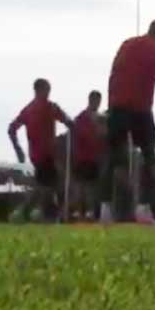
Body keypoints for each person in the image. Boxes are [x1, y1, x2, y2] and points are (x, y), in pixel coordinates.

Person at [103, 19, 155, 223]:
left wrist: (111, 104)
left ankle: (105, 210)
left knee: (114, 158)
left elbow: (113, 74)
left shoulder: (128, 43)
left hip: (118, 105)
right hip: (141, 109)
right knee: (149, 158)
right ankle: (143, 209)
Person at [8, 78, 75, 221]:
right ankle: (31, 213)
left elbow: (11, 129)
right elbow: (68, 121)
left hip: (39, 154)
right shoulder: (48, 107)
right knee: (51, 186)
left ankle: (34, 213)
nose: (48, 93)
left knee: (45, 185)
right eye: (47, 90)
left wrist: (18, 148)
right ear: (38, 90)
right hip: (45, 154)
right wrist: (75, 128)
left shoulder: (29, 109)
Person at [68, 90, 107, 219]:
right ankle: (79, 212)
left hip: (94, 158)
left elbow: (103, 137)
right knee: (81, 186)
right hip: (82, 157)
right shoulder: (81, 118)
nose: (97, 103)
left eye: (98, 101)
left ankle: (90, 211)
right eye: (95, 100)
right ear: (90, 100)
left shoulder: (101, 119)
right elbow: (78, 135)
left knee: (91, 186)